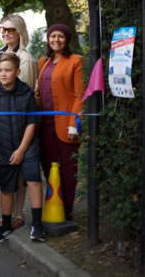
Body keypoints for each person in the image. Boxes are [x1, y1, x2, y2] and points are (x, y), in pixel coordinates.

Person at [0, 53, 45, 243]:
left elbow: (31, 123)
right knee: (6, 188)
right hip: (2, 146)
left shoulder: (26, 93)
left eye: (8, 70)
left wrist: (22, 150)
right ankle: (6, 225)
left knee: (34, 179)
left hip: (27, 144)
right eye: (0, 70)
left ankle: (37, 225)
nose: (3, 74)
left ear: (17, 71)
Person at [36, 23, 84, 221]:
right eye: (53, 36)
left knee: (67, 168)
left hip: (66, 125)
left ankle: (67, 211)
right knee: (48, 165)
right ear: (48, 39)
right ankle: (54, 205)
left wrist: (75, 122)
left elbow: (80, 94)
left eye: (61, 36)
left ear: (67, 40)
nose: (56, 39)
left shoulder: (76, 60)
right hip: (44, 124)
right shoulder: (42, 61)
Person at [0, 14, 38, 230]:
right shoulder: (0, 54)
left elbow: (26, 95)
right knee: (6, 171)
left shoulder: (26, 59)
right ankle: (8, 213)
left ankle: (18, 215)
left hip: (19, 124)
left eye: (10, 30)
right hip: (1, 123)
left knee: (19, 170)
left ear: (20, 32)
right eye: (3, 29)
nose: (5, 33)